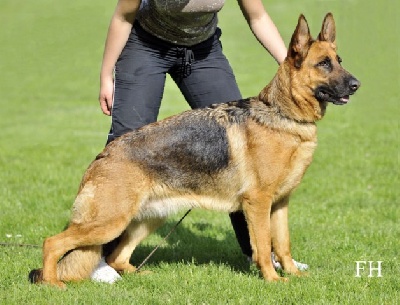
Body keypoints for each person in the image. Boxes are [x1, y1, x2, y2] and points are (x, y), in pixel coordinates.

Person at [91, 0, 307, 283]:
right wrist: (107, 74)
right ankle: (97, 256)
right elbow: (123, 15)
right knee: (126, 141)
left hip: (202, 51)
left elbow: (258, 16)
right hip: (145, 47)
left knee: (244, 147)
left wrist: (292, 68)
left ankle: (259, 254)